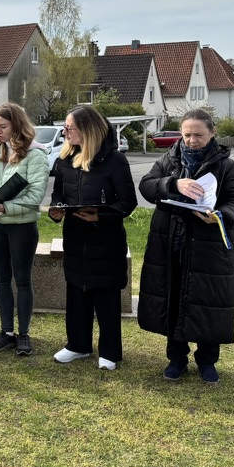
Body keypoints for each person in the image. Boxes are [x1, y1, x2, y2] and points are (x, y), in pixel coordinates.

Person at [137, 109, 234, 384]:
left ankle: (207, 360)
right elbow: (147, 186)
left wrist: (219, 216)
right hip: (171, 244)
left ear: (212, 133)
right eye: (186, 134)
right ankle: (176, 358)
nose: (191, 140)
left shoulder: (226, 166)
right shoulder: (169, 159)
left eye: (198, 134)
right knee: (173, 299)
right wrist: (173, 183)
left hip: (209, 247)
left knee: (208, 303)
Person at [48, 107, 138, 370]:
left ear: (87, 130)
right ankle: (77, 345)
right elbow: (57, 195)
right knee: (76, 292)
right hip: (75, 237)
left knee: (106, 297)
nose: (65, 133)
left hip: (105, 240)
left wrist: (100, 217)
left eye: (70, 128)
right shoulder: (64, 159)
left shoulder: (114, 160)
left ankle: (109, 352)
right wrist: (57, 211)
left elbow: (127, 202)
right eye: (65, 128)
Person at [0, 102, 49, 357]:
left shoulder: (36, 155)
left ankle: (24, 334)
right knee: (2, 279)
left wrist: (5, 208)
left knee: (22, 280)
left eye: (2, 126)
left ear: (16, 124)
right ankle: (6, 332)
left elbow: (35, 195)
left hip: (22, 227)